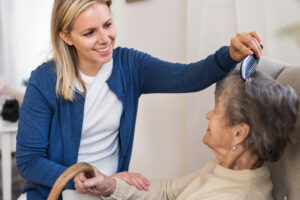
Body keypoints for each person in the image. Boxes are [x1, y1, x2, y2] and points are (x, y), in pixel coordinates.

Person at [15, 0, 263, 199]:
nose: (104, 39)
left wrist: (230, 55)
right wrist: (89, 176)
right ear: (67, 37)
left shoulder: (129, 66)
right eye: (89, 32)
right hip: (52, 193)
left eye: (108, 24)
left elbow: (188, 77)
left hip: (105, 193)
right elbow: (29, 161)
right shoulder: (45, 79)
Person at [67, 70, 299, 200]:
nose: (209, 114)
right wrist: (111, 186)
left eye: (218, 109)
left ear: (239, 133)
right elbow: (169, 191)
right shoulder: (229, 168)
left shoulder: (237, 194)